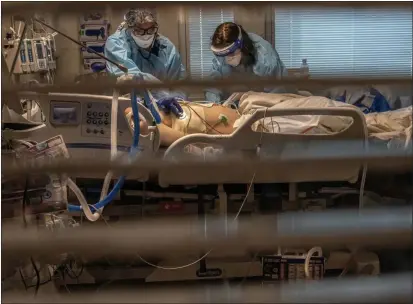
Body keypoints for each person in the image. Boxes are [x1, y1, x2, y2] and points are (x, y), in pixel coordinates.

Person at [105, 8, 187, 99]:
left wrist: (175, 100)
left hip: (165, 109)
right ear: (130, 28)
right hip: (130, 105)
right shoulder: (116, 43)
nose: (146, 35)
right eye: (139, 31)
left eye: (151, 30)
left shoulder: (166, 46)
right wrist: (161, 92)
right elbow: (129, 76)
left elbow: (179, 84)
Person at [205, 22, 288, 103]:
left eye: (231, 54)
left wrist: (248, 96)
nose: (226, 60)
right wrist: (215, 105)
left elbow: (278, 96)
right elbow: (212, 87)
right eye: (222, 55)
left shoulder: (265, 58)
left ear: (241, 45)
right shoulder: (222, 54)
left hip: (265, 107)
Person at [125, 101, 240, 147]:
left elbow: (128, 109)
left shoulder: (149, 112)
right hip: (241, 128)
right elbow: (188, 141)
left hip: (240, 113)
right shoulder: (156, 130)